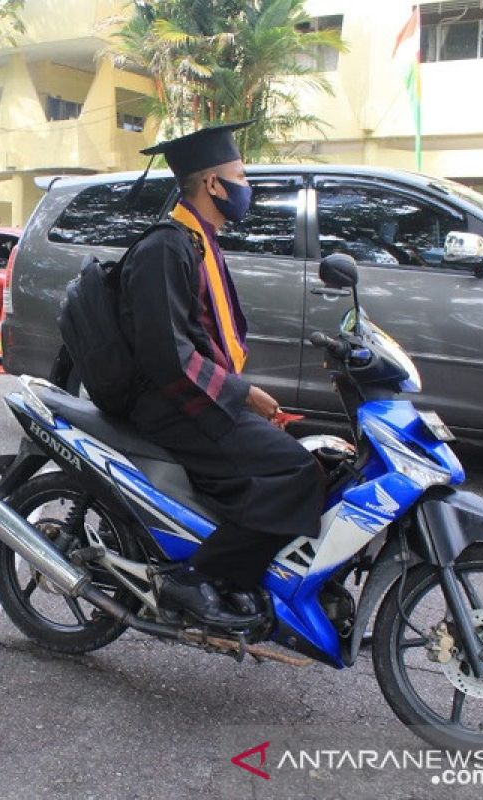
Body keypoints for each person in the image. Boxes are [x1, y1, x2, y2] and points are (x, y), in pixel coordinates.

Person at [118, 123, 324, 628]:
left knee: (320, 453)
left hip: (199, 396)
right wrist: (240, 395)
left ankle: (242, 574)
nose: (245, 186)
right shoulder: (166, 248)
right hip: (175, 404)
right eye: (240, 175)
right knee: (301, 475)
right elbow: (168, 356)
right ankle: (194, 577)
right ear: (213, 185)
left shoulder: (199, 240)